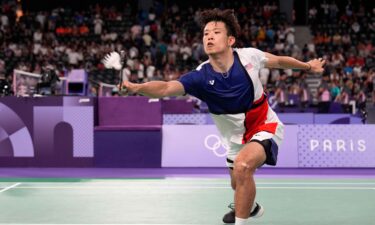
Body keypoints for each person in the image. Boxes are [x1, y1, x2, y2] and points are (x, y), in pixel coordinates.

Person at [117, 8, 325, 225]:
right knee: (238, 183)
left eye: (215, 32)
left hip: (265, 125)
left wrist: (308, 66)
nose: (209, 36)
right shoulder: (200, 77)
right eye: (206, 33)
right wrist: (135, 87)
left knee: (244, 166)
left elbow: (280, 61)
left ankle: (240, 219)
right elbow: (165, 88)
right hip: (235, 139)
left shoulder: (248, 57)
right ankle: (250, 207)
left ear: (230, 40)